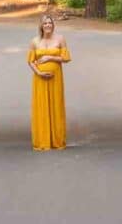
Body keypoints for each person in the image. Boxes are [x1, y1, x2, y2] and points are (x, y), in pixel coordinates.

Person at [26, 14, 71, 150]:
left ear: (53, 25)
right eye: (45, 23)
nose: (48, 26)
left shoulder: (60, 39)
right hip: (39, 78)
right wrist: (38, 72)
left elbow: (66, 58)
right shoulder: (34, 41)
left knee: (56, 105)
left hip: (55, 77)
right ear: (41, 26)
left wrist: (50, 57)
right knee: (41, 106)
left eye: (50, 23)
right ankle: (43, 140)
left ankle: (57, 140)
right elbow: (30, 61)